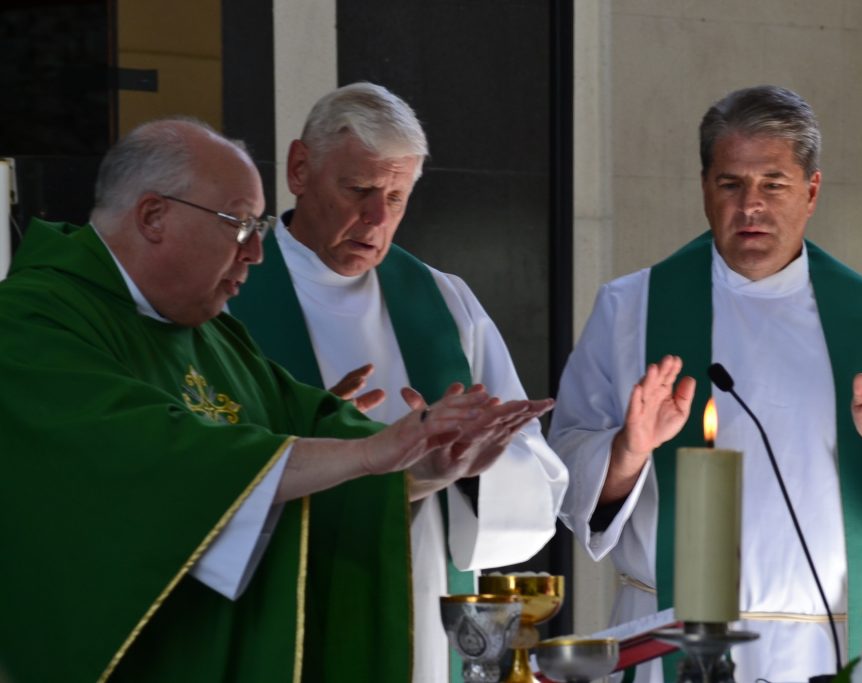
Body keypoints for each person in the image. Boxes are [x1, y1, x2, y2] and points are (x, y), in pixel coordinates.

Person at [0, 118, 538, 682]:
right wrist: (370, 454)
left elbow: (319, 433)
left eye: (259, 225)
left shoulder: (208, 334)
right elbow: (155, 455)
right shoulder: (33, 323)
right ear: (153, 216)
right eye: (239, 224)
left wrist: (424, 465)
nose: (257, 252)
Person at [548, 85, 862, 683]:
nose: (750, 206)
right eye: (730, 184)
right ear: (705, 188)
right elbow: (564, 469)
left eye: (773, 184)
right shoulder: (631, 311)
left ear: (811, 191)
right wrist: (627, 450)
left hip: (839, 641)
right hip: (673, 639)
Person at [228, 82, 569, 682]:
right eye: (358, 190)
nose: (376, 218)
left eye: (396, 195)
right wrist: (309, 434)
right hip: (284, 593)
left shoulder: (441, 299)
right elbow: (194, 459)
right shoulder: (228, 289)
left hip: (421, 591)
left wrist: (472, 468)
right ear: (299, 169)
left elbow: (534, 467)